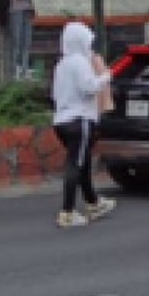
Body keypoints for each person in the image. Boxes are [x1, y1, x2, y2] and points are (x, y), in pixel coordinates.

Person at [51, 21, 116, 228]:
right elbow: (89, 88)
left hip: (62, 120)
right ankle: (67, 212)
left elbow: (54, 94)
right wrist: (106, 77)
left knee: (83, 161)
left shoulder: (61, 64)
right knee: (76, 164)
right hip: (80, 120)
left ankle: (92, 202)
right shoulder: (80, 62)